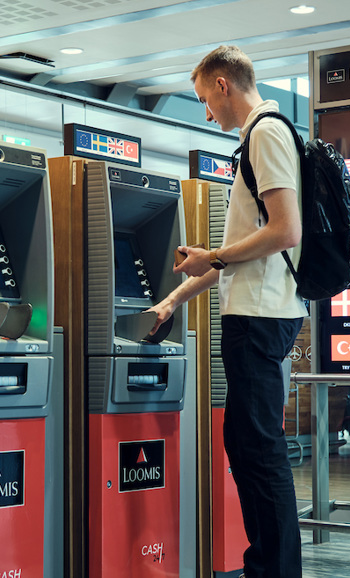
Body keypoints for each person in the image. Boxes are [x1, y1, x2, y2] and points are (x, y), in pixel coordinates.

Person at [147, 45, 305, 578]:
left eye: (203, 101)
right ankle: (266, 563)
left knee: (259, 450)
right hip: (257, 313)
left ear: (222, 85)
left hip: (260, 319)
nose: (206, 114)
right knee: (245, 442)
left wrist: (211, 254)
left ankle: (274, 570)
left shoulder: (265, 133)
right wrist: (175, 297)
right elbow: (245, 253)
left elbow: (285, 231)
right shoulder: (258, 137)